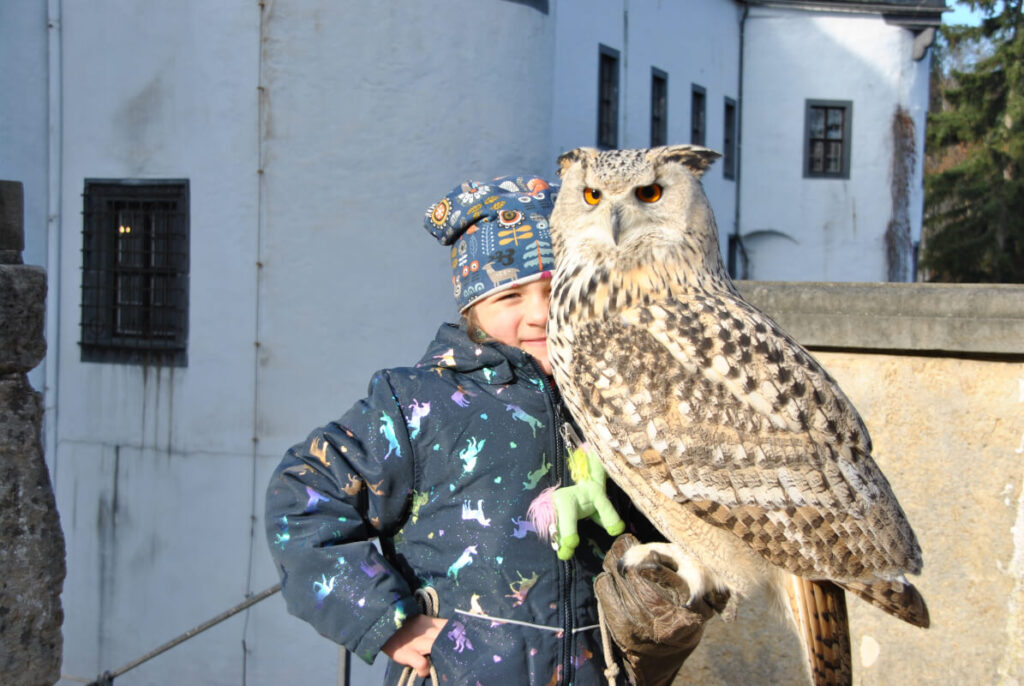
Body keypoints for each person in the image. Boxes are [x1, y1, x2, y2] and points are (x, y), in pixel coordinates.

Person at [265, 175, 713, 686]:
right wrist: (387, 622)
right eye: (510, 296)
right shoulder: (416, 404)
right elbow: (300, 500)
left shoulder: (620, 399)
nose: (540, 314)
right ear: (471, 309)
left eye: (557, 289)